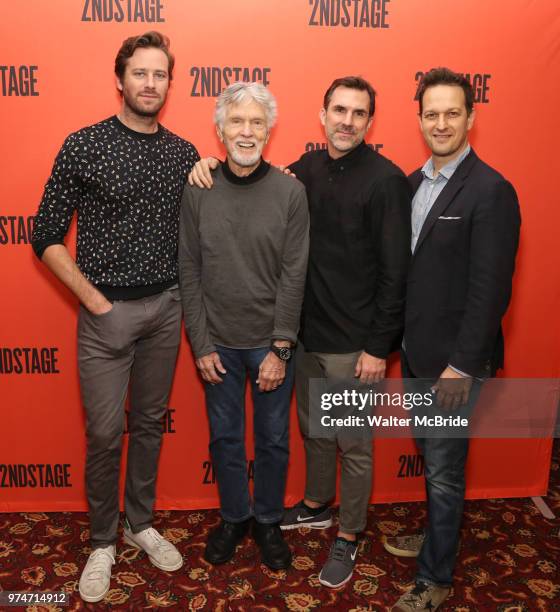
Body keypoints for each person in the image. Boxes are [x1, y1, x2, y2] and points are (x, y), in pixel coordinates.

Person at [188, 76, 411, 588]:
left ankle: (349, 536)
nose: (347, 121)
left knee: (353, 444)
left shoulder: (385, 180)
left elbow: (396, 273)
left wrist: (379, 346)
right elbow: (247, 182)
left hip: (356, 345)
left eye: (358, 113)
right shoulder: (305, 170)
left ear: (370, 122)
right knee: (314, 432)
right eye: (339, 110)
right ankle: (315, 504)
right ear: (322, 114)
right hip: (310, 338)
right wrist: (201, 164)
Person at [31, 31, 199, 603]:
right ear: (120, 78)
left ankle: (140, 522)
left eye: (160, 75)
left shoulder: (184, 154)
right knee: (105, 433)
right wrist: (94, 300)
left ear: (169, 84)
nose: (150, 84)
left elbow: (226, 204)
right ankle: (103, 540)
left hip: (166, 310)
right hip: (104, 314)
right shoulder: (84, 144)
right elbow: (45, 235)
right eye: (140, 74)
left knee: (149, 424)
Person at [386, 67, 521, 611]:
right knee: (434, 459)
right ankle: (438, 536)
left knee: (442, 470)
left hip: (453, 367)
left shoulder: (491, 190)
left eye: (452, 112)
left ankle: (435, 577)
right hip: (418, 355)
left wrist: (462, 368)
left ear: (471, 116)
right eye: (431, 113)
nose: (441, 122)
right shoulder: (412, 185)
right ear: (419, 119)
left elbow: (491, 291)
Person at [178, 82, 309, 570]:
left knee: (274, 440)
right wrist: (201, 343)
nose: (247, 131)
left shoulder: (291, 192)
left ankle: (269, 521)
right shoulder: (198, 188)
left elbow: (295, 273)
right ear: (220, 130)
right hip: (218, 346)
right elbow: (188, 269)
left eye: (257, 122)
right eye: (237, 122)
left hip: (270, 344)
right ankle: (234, 517)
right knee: (226, 438)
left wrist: (281, 348)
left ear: (270, 130)